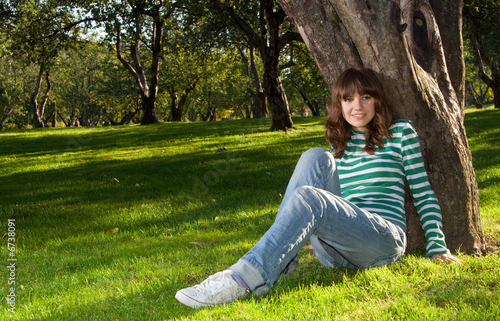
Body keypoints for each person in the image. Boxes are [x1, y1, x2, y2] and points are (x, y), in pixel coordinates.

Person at [175, 67, 461, 309]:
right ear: (339, 104)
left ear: (377, 101)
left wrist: (436, 245)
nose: (357, 106)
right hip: (336, 252)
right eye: (348, 99)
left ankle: (242, 279)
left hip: (382, 241)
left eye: (365, 97)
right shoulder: (337, 145)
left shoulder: (401, 133)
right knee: (314, 156)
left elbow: (423, 193)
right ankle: (283, 257)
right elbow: (334, 205)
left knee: (311, 197)